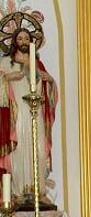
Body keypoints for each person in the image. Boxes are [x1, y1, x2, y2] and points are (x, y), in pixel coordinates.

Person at [0, 26, 58, 203]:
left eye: (26, 39)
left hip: (35, 114)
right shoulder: (5, 63)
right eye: (20, 39)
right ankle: (17, 193)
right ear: (14, 42)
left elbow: (50, 91)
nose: (23, 42)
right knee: (17, 151)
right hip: (16, 116)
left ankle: (37, 191)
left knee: (38, 148)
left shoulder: (37, 64)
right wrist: (8, 78)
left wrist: (50, 82)